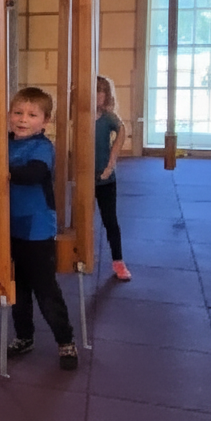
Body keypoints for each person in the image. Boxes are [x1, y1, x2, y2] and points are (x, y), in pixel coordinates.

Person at [0, 87, 78, 371]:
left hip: (36, 228)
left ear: (45, 121)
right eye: (18, 113)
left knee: (45, 289)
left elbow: (36, 172)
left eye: (32, 115)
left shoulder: (42, 147)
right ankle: (24, 336)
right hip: (9, 225)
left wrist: (4, 175)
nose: (23, 119)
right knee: (18, 287)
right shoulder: (5, 144)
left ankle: (65, 340)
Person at [96, 75, 131, 281]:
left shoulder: (108, 118)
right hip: (80, 179)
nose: (97, 95)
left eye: (101, 91)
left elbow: (122, 131)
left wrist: (111, 164)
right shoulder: (75, 116)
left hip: (104, 178)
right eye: (94, 90)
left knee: (110, 220)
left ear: (106, 95)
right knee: (74, 219)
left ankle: (118, 260)